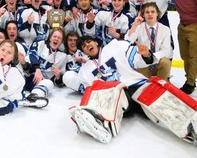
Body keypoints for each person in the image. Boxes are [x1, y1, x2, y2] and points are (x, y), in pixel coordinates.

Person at [69, 35, 197, 146]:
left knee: (160, 105)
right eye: (84, 46)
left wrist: (146, 55)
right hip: (118, 98)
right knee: (113, 92)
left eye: (88, 42)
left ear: (96, 42)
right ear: (84, 52)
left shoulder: (115, 46)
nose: (87, 45)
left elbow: (136, 60)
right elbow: (86, 88)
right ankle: (101, 124)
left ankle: (191, 126)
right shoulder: (86, 70)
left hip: (135, 85)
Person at [168, 0, 197, 94]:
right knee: (185, 56)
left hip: (195, 26)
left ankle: (190, 83)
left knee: (193, 57)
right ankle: (190, 79)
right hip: (182, 25)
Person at [126, 2, 172, 81]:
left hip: (158, 62)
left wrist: (151, 57)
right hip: (143, 64)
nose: (150, 14)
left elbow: (166, 51)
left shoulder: (165, 29)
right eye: (147, 12)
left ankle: (160, 85)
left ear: (157, 13)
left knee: (166, 62)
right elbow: (128, 41)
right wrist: (135, 25)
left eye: (153, 12)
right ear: (143, 15)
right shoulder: (138, 27)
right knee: (141, 88)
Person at [21, 28, 67, 102]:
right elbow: (32, 54)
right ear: (50, 38)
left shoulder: (63, 56)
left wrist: (58, 77)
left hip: (39, 81)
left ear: (61, 41)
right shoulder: (40, 43)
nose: (56, 39)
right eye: (55, 36)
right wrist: (37, 69)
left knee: (50, 84)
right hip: (26, 73)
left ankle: (32, 98)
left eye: (59, 38)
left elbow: (60, 82)